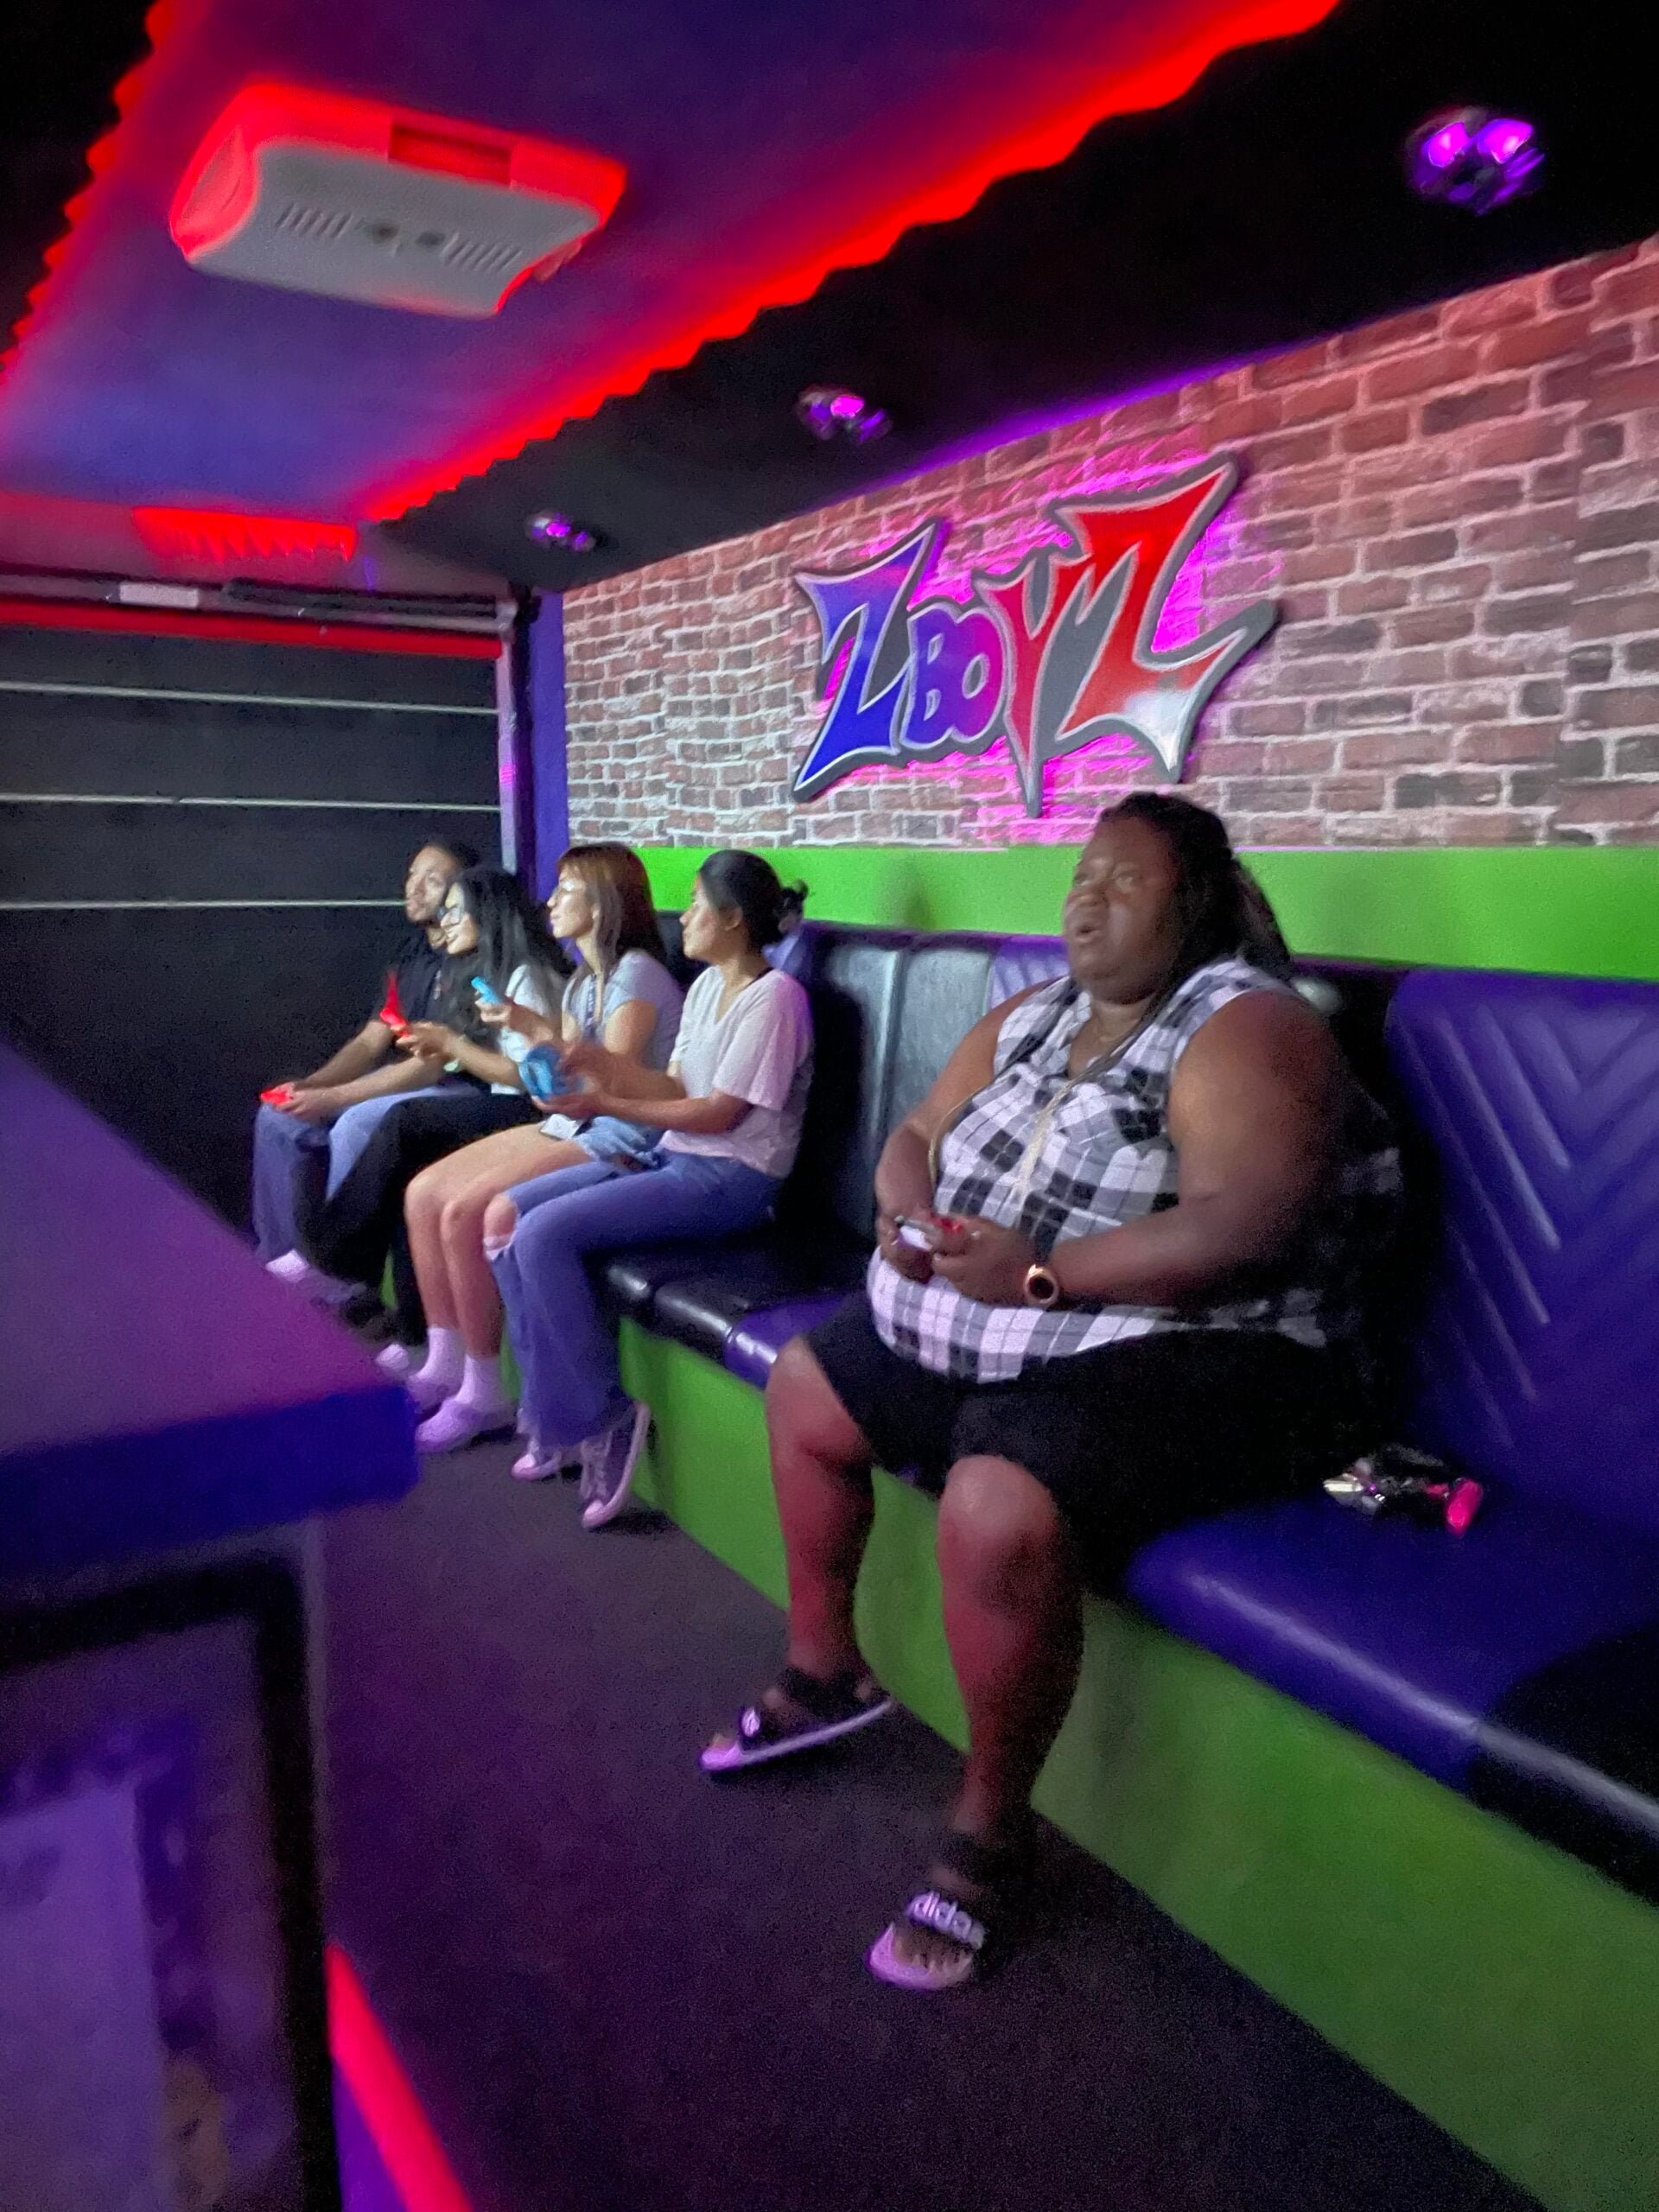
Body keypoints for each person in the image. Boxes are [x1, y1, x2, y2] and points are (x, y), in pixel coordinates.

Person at [701, 793, 1401, 1993]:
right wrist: (903, 1209)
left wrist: (1044, 1272)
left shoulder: (1246, 1023)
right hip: (1022, 1329)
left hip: (1230, 1354)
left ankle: (993, 1828)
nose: (1087, 900)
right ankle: (827, 1668)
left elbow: (1248, 1222)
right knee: (810, 1387)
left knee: (997, 1499)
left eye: (1125, 882)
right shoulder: (1037, 1015)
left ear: (1195, 905)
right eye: (1083, 876)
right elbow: (918, 1131)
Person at [490, 850, 813, 1527]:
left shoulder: (776, 998)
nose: (684, 916)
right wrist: (597, 1065)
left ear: (732, 918)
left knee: (545, 1234)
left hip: (734, 1179)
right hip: (678, 1158)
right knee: (512, 1215)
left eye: (695, 903)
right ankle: (553, 1413)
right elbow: (672, 1087)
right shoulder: (706, 987)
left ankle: (604, 1415)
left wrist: (605, 1104)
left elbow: (720, 1115)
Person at [390, 843, 685, 1453]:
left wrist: (541, 1051)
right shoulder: (583, 979)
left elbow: (612, 1080)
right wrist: (531, 1036)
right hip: (577, 1122)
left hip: (625, 1133)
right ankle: (444, 1362)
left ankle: (483, 1391)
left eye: (566, 890)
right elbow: (567, 1073)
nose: (550, 901)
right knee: (423, 1193)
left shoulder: (637, 975)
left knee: (464, 1211)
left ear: (601, 905)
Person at [280, 867, 569, 1319]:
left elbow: (528, 1077)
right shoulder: (481, 974)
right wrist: (444, 1048)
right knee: (411, 1170)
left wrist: (452, 1046)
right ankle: (411, 1328)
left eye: (456, 911)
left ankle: (332, 1257)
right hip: (505, 1101)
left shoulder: (527, 978)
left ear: (487, 916)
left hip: (535, 1109)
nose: (445, 921)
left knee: (405, 1122)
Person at [253, 838, 476, 1290]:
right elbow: (373, 1038)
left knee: (358, 1121)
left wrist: (332, 1098)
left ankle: (339, 1282)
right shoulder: (410, 954)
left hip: (456, 1086)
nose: (414, 888)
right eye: (412, 875)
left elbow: (433, 1066)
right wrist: (312, 1086)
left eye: (432, 881)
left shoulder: (470, 960)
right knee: (276, 1116)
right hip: (400, 1076)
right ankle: (280, 1259)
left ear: (462, 894)